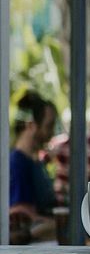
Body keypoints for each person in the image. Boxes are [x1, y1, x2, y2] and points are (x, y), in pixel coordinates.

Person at [9, 91, 58, 243]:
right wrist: (60, 223)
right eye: (48, 126)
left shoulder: (36, 161)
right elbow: (21, 214)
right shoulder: (18, 164)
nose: (50, 134)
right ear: (31, 125)